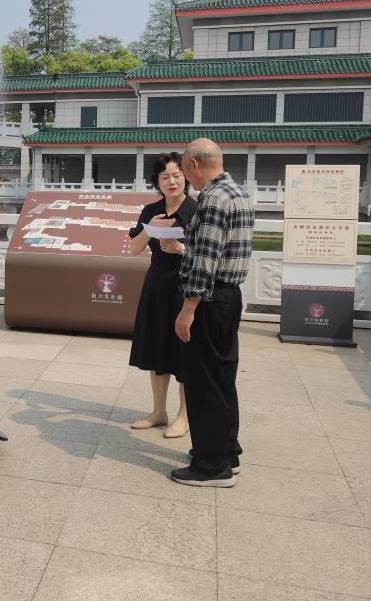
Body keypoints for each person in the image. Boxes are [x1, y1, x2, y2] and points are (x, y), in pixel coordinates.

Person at [161, 138, 254, 488]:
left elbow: (206, 260)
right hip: (229, 297)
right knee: (222, 377)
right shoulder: (238, 192)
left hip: (209, 300)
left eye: (185, 170)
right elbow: (219, 249)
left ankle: (211, 466)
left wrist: (188, 309)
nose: (186, 178)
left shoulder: (213, 198)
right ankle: (227, 451)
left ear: (195, 165)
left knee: (203, 382)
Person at [127, 152, 197, 438]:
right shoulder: (151, 210)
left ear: (186, 177)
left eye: (177, 175)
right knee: (157, 348)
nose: (172, 181)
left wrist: (180, 249)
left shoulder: (196, 209)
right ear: (157, 181)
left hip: (186, 288)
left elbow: (209, 255)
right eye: (165, 176)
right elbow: (134, 249)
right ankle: (159, 411)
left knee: (184, 352)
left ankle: (184, 416)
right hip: (157, 286)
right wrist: (151, 230)